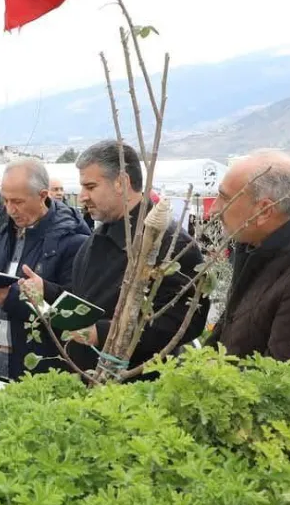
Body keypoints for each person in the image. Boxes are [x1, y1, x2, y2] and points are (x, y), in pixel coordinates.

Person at [19, 140, 208, 377]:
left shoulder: (170, 245)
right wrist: (47, 290)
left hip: (136, 390)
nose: (83, 196)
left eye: (90, 186)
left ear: (122, 182)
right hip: (92, 380)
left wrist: (105, 332)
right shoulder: (99, 236)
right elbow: (88, 300)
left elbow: (182, 322)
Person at [208, 151, 290, 361]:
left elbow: (280, 382)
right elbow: (228, 333)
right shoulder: (255, 247)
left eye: (225, 198)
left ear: (264, 210)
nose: (214, 209)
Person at [0, 159, 90, 380]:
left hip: (45, 367)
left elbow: (73, 315)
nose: (10, 209)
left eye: (18, 201)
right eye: (5, 200)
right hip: (2, 356)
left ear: (43, 196)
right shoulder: (5, 234)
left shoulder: (73, 242)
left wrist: (10, 297)